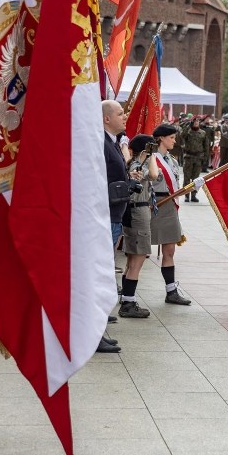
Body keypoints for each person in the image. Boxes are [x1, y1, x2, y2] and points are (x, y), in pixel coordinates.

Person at [101, 99, 134, 352]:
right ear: (106, 119)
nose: (125, 117)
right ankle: (95, 331)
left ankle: (99, 323)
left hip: (114, 213)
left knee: (106, 269)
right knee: (101, 272)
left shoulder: (112, 142)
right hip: (104, 215)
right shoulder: (101, 143)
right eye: (120, 113)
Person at [150, 124, 191, 306]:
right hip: (154, 205)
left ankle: (171, 291)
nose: (174, 141)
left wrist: (191, 187)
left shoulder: (172, 160)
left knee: (169, 251)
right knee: (139, 253)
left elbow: (174, 188)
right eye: (171, 138)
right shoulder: (151, 158)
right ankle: (128, 294)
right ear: (161, 138)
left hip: (170, 206)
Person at [119, 134, 159, 319]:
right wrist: (150, 156)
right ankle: (128, 302)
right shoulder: (138, 165)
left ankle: (126, 298)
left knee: (132, 259)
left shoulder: (134, 163)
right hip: (138, 212)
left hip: (135, 211)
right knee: (138, 258)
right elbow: (154, 175)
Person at [180, 118, 209, 203]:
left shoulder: (203, 133)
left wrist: (205, 159)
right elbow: (182, 135)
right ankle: (186, 195)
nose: (196, 123)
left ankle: (193, 195)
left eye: (197, 122)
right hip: (188, 157)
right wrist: (187, 126)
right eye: (195, 122)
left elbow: (206, 146)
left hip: (198, 157)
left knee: (196, 179)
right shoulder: (188, 132)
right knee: (187, 178)